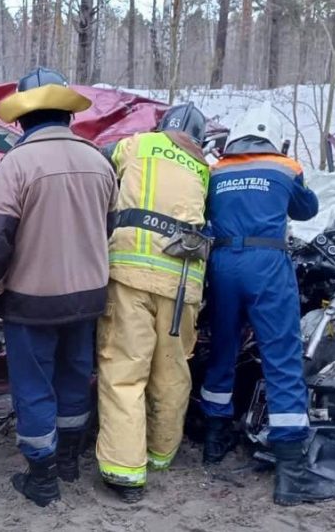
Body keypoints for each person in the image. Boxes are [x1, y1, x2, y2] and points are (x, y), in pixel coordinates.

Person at [0, 67, 117, 507]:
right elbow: (108, 227)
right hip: (89, 297)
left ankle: (43, 478)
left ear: (21, 120)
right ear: (67, 116)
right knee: (75, 376)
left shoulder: (15, 165)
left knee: (34, 386)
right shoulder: (99, 161)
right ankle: (71, 461)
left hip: (31, 303)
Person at [200, 103, 335, 506]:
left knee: (222, 351)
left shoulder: (216, 171)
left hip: (223, 264)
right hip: (268, 265)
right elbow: (307, 209)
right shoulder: (285, 167)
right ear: (273, 139)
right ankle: (290, 477)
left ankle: (214, 442)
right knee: (281, 359)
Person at [95, 103, 211, 503]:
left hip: (129, 276)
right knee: (172, 370)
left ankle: (125, 470)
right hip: (183, 287)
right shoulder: (203, 168)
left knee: (125, 370)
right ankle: (160, 453)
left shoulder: (138, 144)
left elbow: (99, 158)